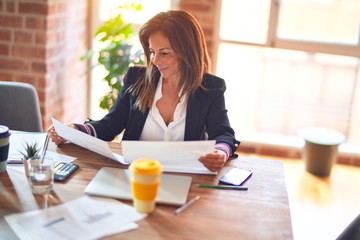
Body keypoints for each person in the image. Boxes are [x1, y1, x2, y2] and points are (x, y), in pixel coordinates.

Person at [48, 10, 240, 172]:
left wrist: (221, 152)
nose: (155, 60)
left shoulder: (210, 88)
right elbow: (110, 125)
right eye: (152, 51)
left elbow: (223, 134)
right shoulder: (137, 79)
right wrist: (74, 131)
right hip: (134, 175)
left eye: (164, 53)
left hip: (187, 179)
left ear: (187, 52)